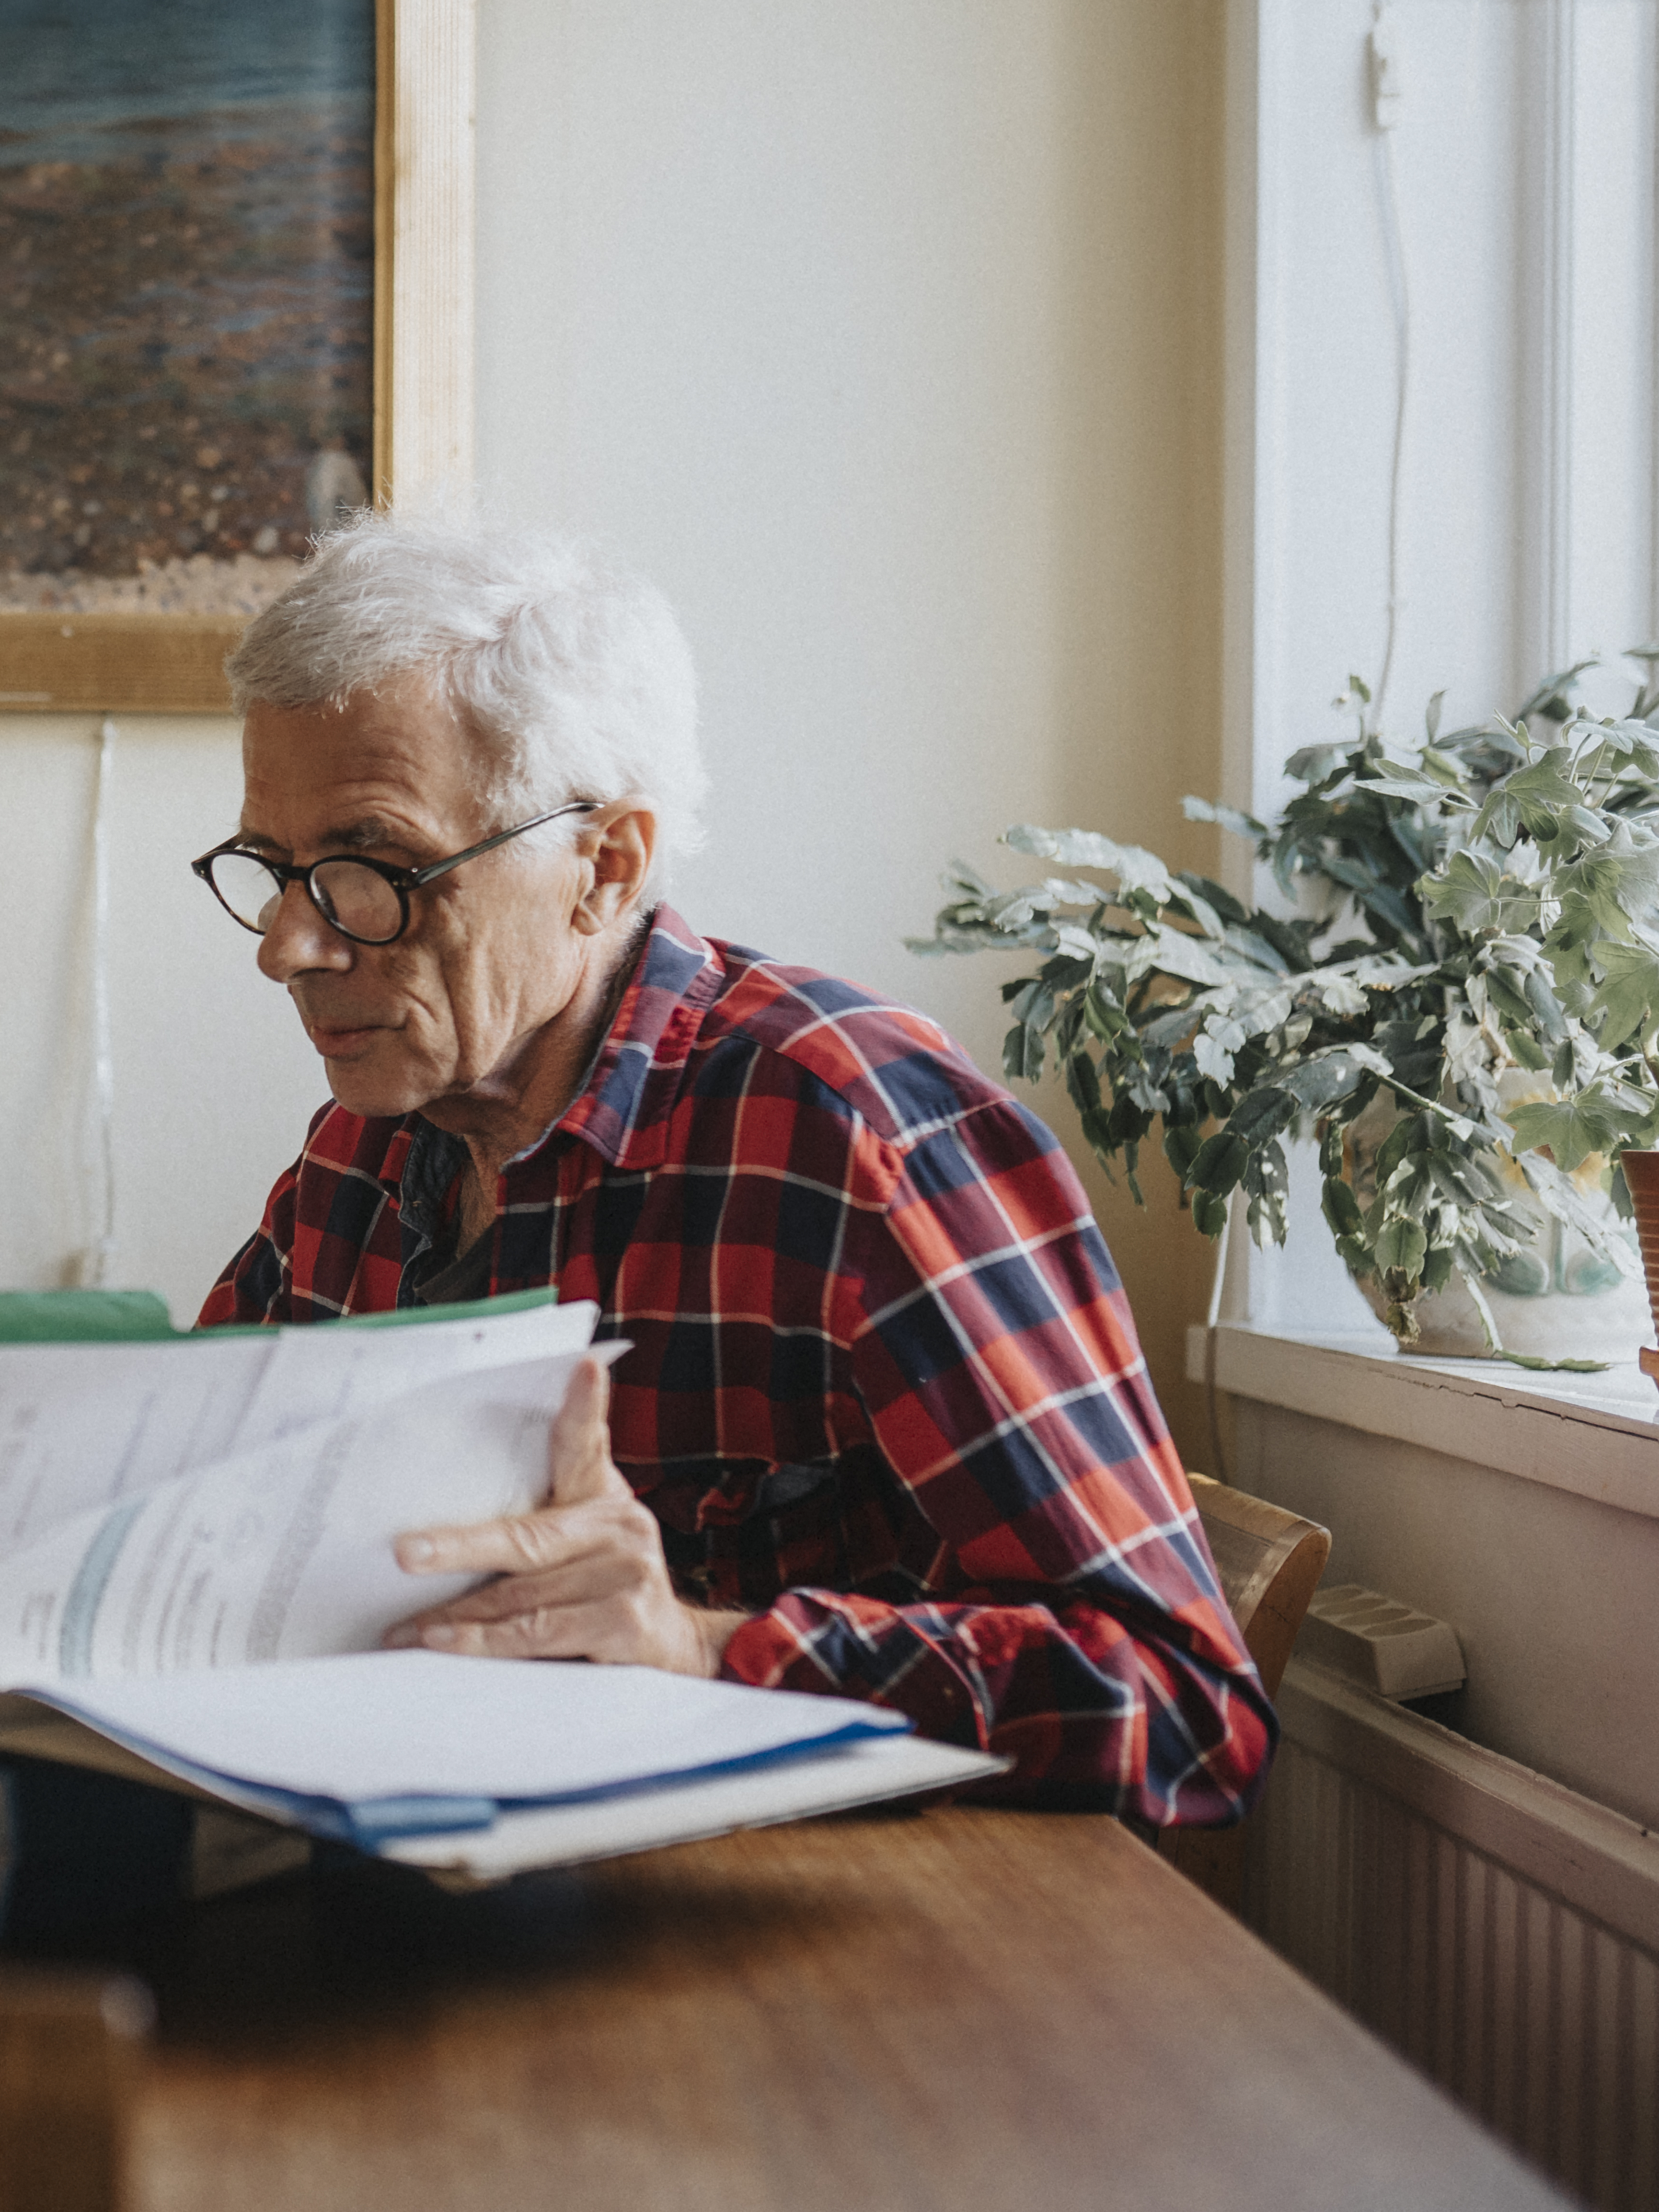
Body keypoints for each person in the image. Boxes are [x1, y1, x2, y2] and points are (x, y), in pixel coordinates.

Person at [188, 516, 1271, 1824]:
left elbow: (1179, 1702)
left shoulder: (856, 1136)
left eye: (370, 869)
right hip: (446, 1878)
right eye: (275, 871)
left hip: (825, 1955)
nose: (290, 947)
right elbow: (208, 1517)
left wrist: (702, 1648)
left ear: (605, 864)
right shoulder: (364, 1148)